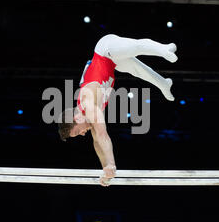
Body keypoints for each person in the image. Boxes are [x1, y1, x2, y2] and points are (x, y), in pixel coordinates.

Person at [58, 34, 178, 186]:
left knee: (137, 47)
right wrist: (106, 171)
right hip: (112, 63)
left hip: (105, 49)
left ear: (77, 119)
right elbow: (97, 143)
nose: (82, 134)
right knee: (139, 70)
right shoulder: (88, 116)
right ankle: (164, 84)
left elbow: (103, 135)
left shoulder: (88, 105)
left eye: (77, 132)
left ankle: (163, 49)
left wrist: (111, 164)